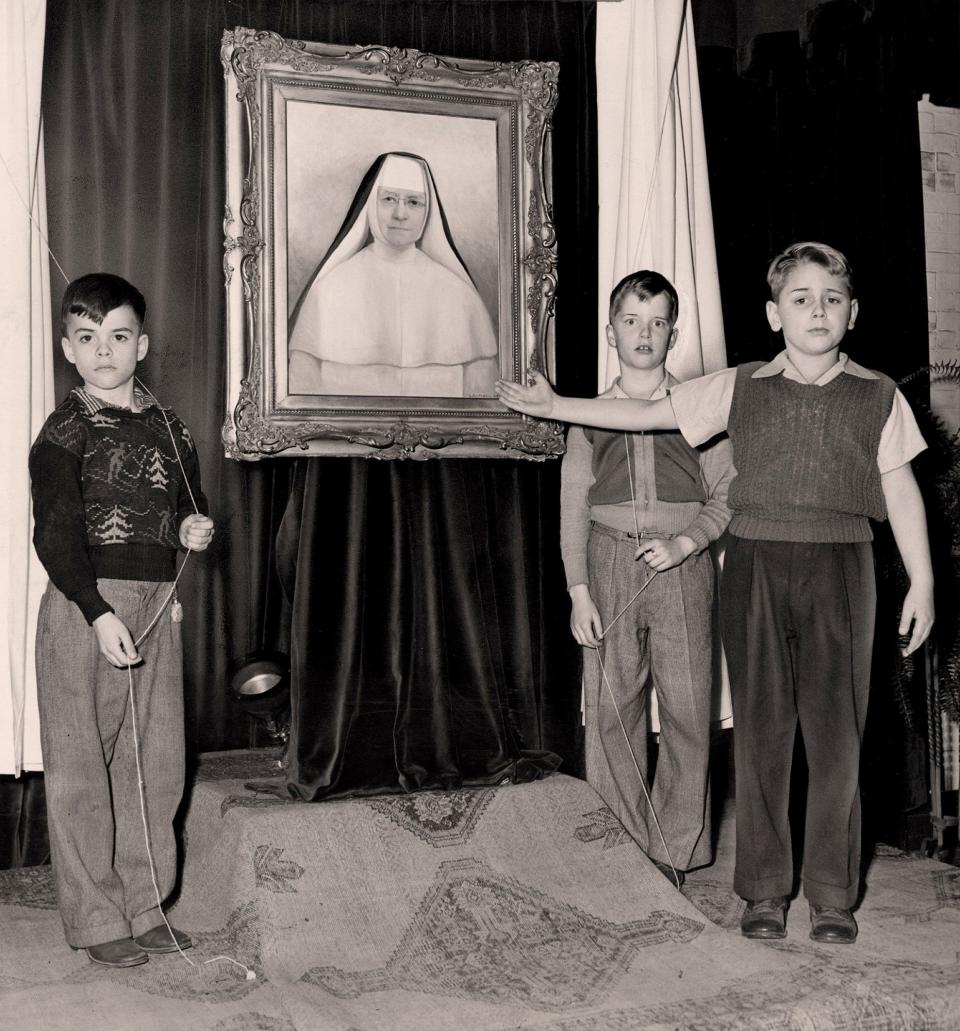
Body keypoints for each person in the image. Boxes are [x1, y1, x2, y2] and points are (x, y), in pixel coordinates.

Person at [498, 242, 934, 944]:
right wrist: (557, 405)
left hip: (844, 567)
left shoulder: (879, 393)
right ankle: (762, 891)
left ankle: (831, 896)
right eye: (800, 298)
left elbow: (902, 488)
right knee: (762, 734)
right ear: (772, 313)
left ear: (852, 313)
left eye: (830, 299)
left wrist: (924, 579)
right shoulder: (739, 385)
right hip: (757, 565)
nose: (816, 310)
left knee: (837, 740)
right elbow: (646, 413)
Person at [29, 273, 215, 968]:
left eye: (117, 336)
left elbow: (183, 509)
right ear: (68, 350)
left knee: (154, 761)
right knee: (82, 764)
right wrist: (96, 609)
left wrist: (190, 531)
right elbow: (54, 533)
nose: (102, 350)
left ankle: (144, 905)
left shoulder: (172, 427)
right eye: (86, 338)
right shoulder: (64, 431)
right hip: (86, 605)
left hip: (157, 603)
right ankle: (97, 915)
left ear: (141, 343)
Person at [561, 270, 733, 885]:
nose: (644, 333)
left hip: (682, 571)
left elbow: (728, 492)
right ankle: (623, 849)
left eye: (657, 322)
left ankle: (677, 850)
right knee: (613, 711)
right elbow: (573, 505)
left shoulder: (700, 411)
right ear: (612, 332)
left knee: (688, 711)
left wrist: (689, 541)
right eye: (632, 321)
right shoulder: (587, 415)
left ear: (674, 334)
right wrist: (579, 590)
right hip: (609, 563)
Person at [288, 151, 499, 398]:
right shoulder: (329, 290)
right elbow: (302, 391)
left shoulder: (459, 295)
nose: (400, 214)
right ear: (370, 205)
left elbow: (483, 399)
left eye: (413, 202)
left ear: (427, 210)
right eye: (389, 199)